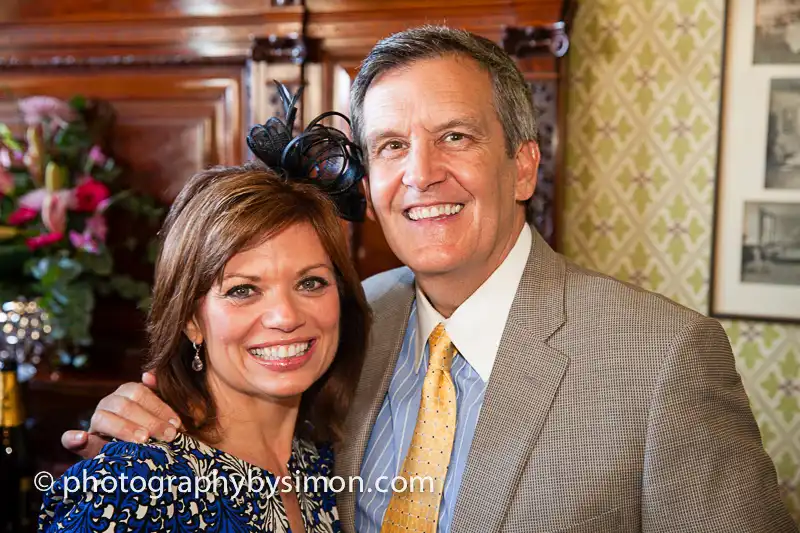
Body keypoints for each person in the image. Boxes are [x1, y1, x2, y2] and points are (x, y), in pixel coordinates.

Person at [62, 26, 797, 532]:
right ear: (369, 180)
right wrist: (132, 430)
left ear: (522, 165)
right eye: (390, 145)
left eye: (455, 136)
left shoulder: (664, 357)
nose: (421, 174)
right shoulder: (347, 325)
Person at [41, 87, 371, 532]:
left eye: (310, 282)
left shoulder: (327, 466)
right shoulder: (129, 488)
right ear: (192, 320)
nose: (285, 316)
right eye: (243, 290)